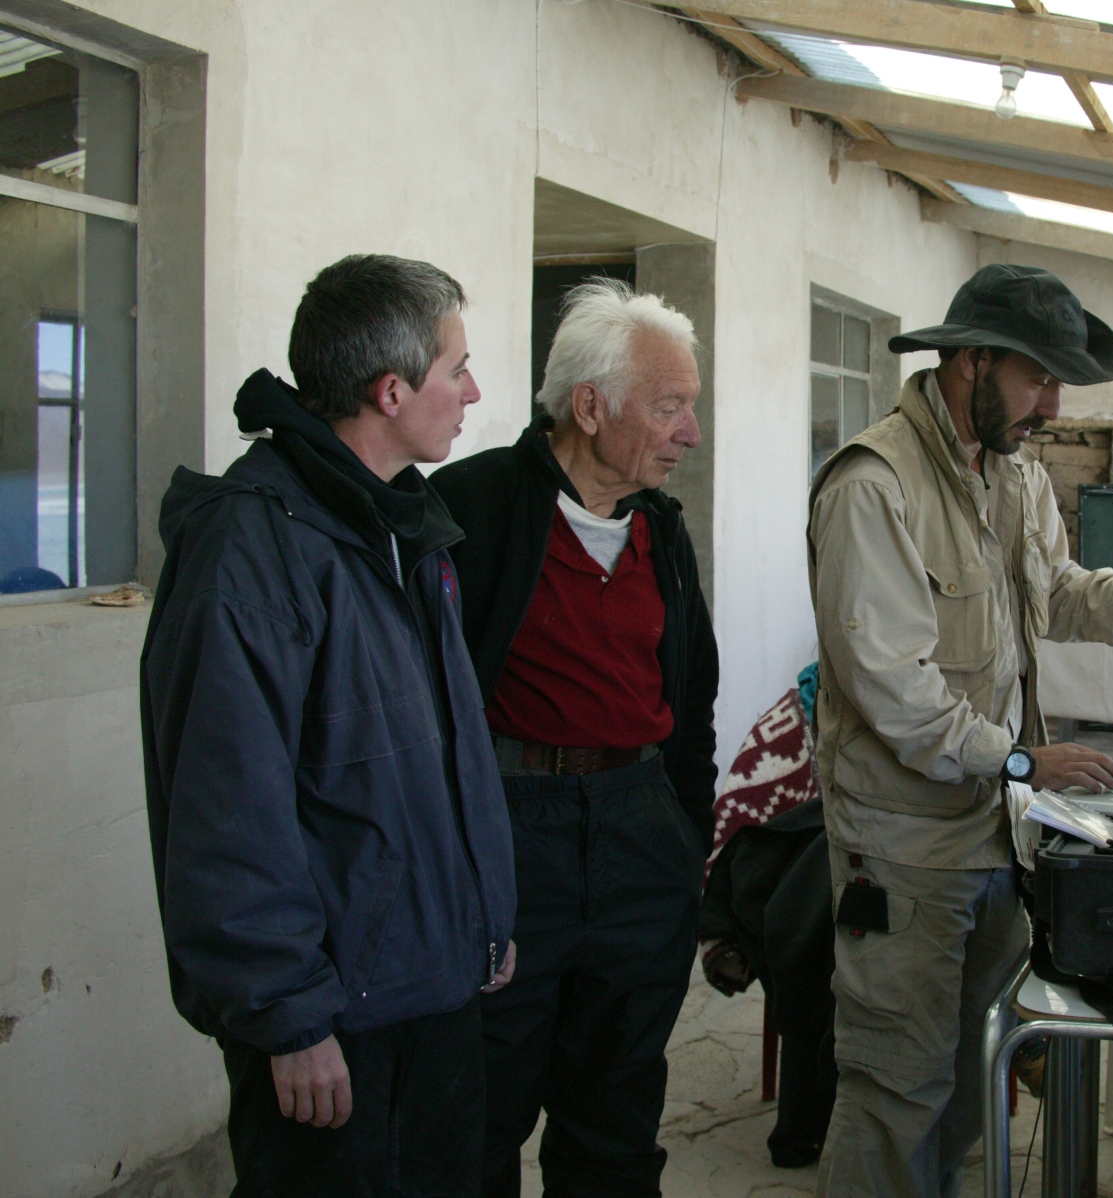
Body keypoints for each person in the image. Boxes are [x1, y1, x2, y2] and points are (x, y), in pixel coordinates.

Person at [807, 263, 1113, 1198]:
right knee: (896, 1088)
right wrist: (1025, 759)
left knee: (969, 1071)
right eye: (1039, 377)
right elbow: (894, 690)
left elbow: (1056, 594)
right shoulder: (874, 485)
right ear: (972, 360)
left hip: (993, 833)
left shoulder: (1015, 475)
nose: (1054, 404)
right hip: (905, 848)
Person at [140, 254, 518, 1196]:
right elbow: (226, 808)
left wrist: (486, 915)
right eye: (457, 369)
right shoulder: (253, 544)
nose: (474, 392)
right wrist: (289, 1018)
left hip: (432, 989)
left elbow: (444, 758)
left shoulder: (403, 523)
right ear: (391, 391)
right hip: (336, 1023)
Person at [431, 279, 718, 1198]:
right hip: (513, 836)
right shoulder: (469, 509)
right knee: (481, 1112)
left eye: (690, 407)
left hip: (638, 834)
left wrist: (686, 843)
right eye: (669, 407)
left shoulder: (661, 531)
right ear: (589, 408)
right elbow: (421, 709)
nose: (690, 433)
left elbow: (693, 706)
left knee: (618, 1119)